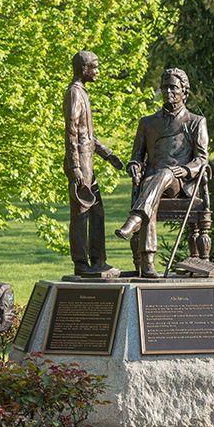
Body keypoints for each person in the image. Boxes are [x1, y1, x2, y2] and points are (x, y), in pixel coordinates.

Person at [114, 68, 209, 278]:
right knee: (153, 191)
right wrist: (134, 165)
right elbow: (137, 156)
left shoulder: (195, 121)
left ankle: (135, 218)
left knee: (165, 173)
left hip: (180, 184)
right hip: (151, 182)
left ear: (184, 91)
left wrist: (184, 169)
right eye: (165, 87)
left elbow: (202, 159)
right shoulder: (147, 122)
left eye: (173, 87)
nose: (168, 91)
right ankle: (148, 265)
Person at [64, 51, 125, 277]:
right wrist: (77, 168)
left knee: (97, 212)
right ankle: (81, 264)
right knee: (81, 214)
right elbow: (71, 134)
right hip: (79, 163)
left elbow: (86, 135)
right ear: (83, 69)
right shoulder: (74, 94)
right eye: (95, 67)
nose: (98, 71)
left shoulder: (83, 93)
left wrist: (107, 155)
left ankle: (98, 261)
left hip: (88, 160)